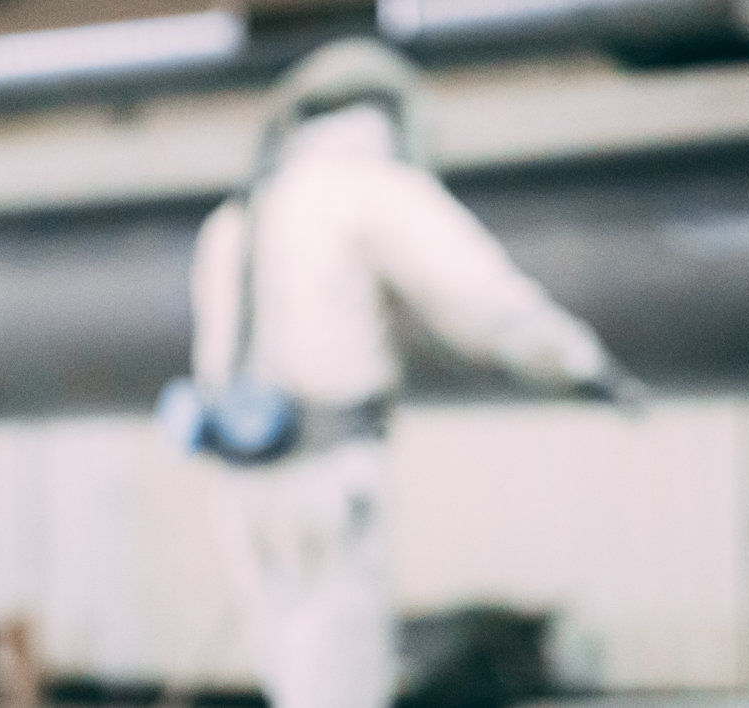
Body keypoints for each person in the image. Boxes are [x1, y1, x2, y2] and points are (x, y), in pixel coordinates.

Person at [160, 39, 645, 708]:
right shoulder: (370, 189)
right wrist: (585, 364)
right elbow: (484, 299)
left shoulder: (235, 218)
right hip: (328, 484)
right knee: (339, 686)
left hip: (243, 491)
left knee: (294, 680)